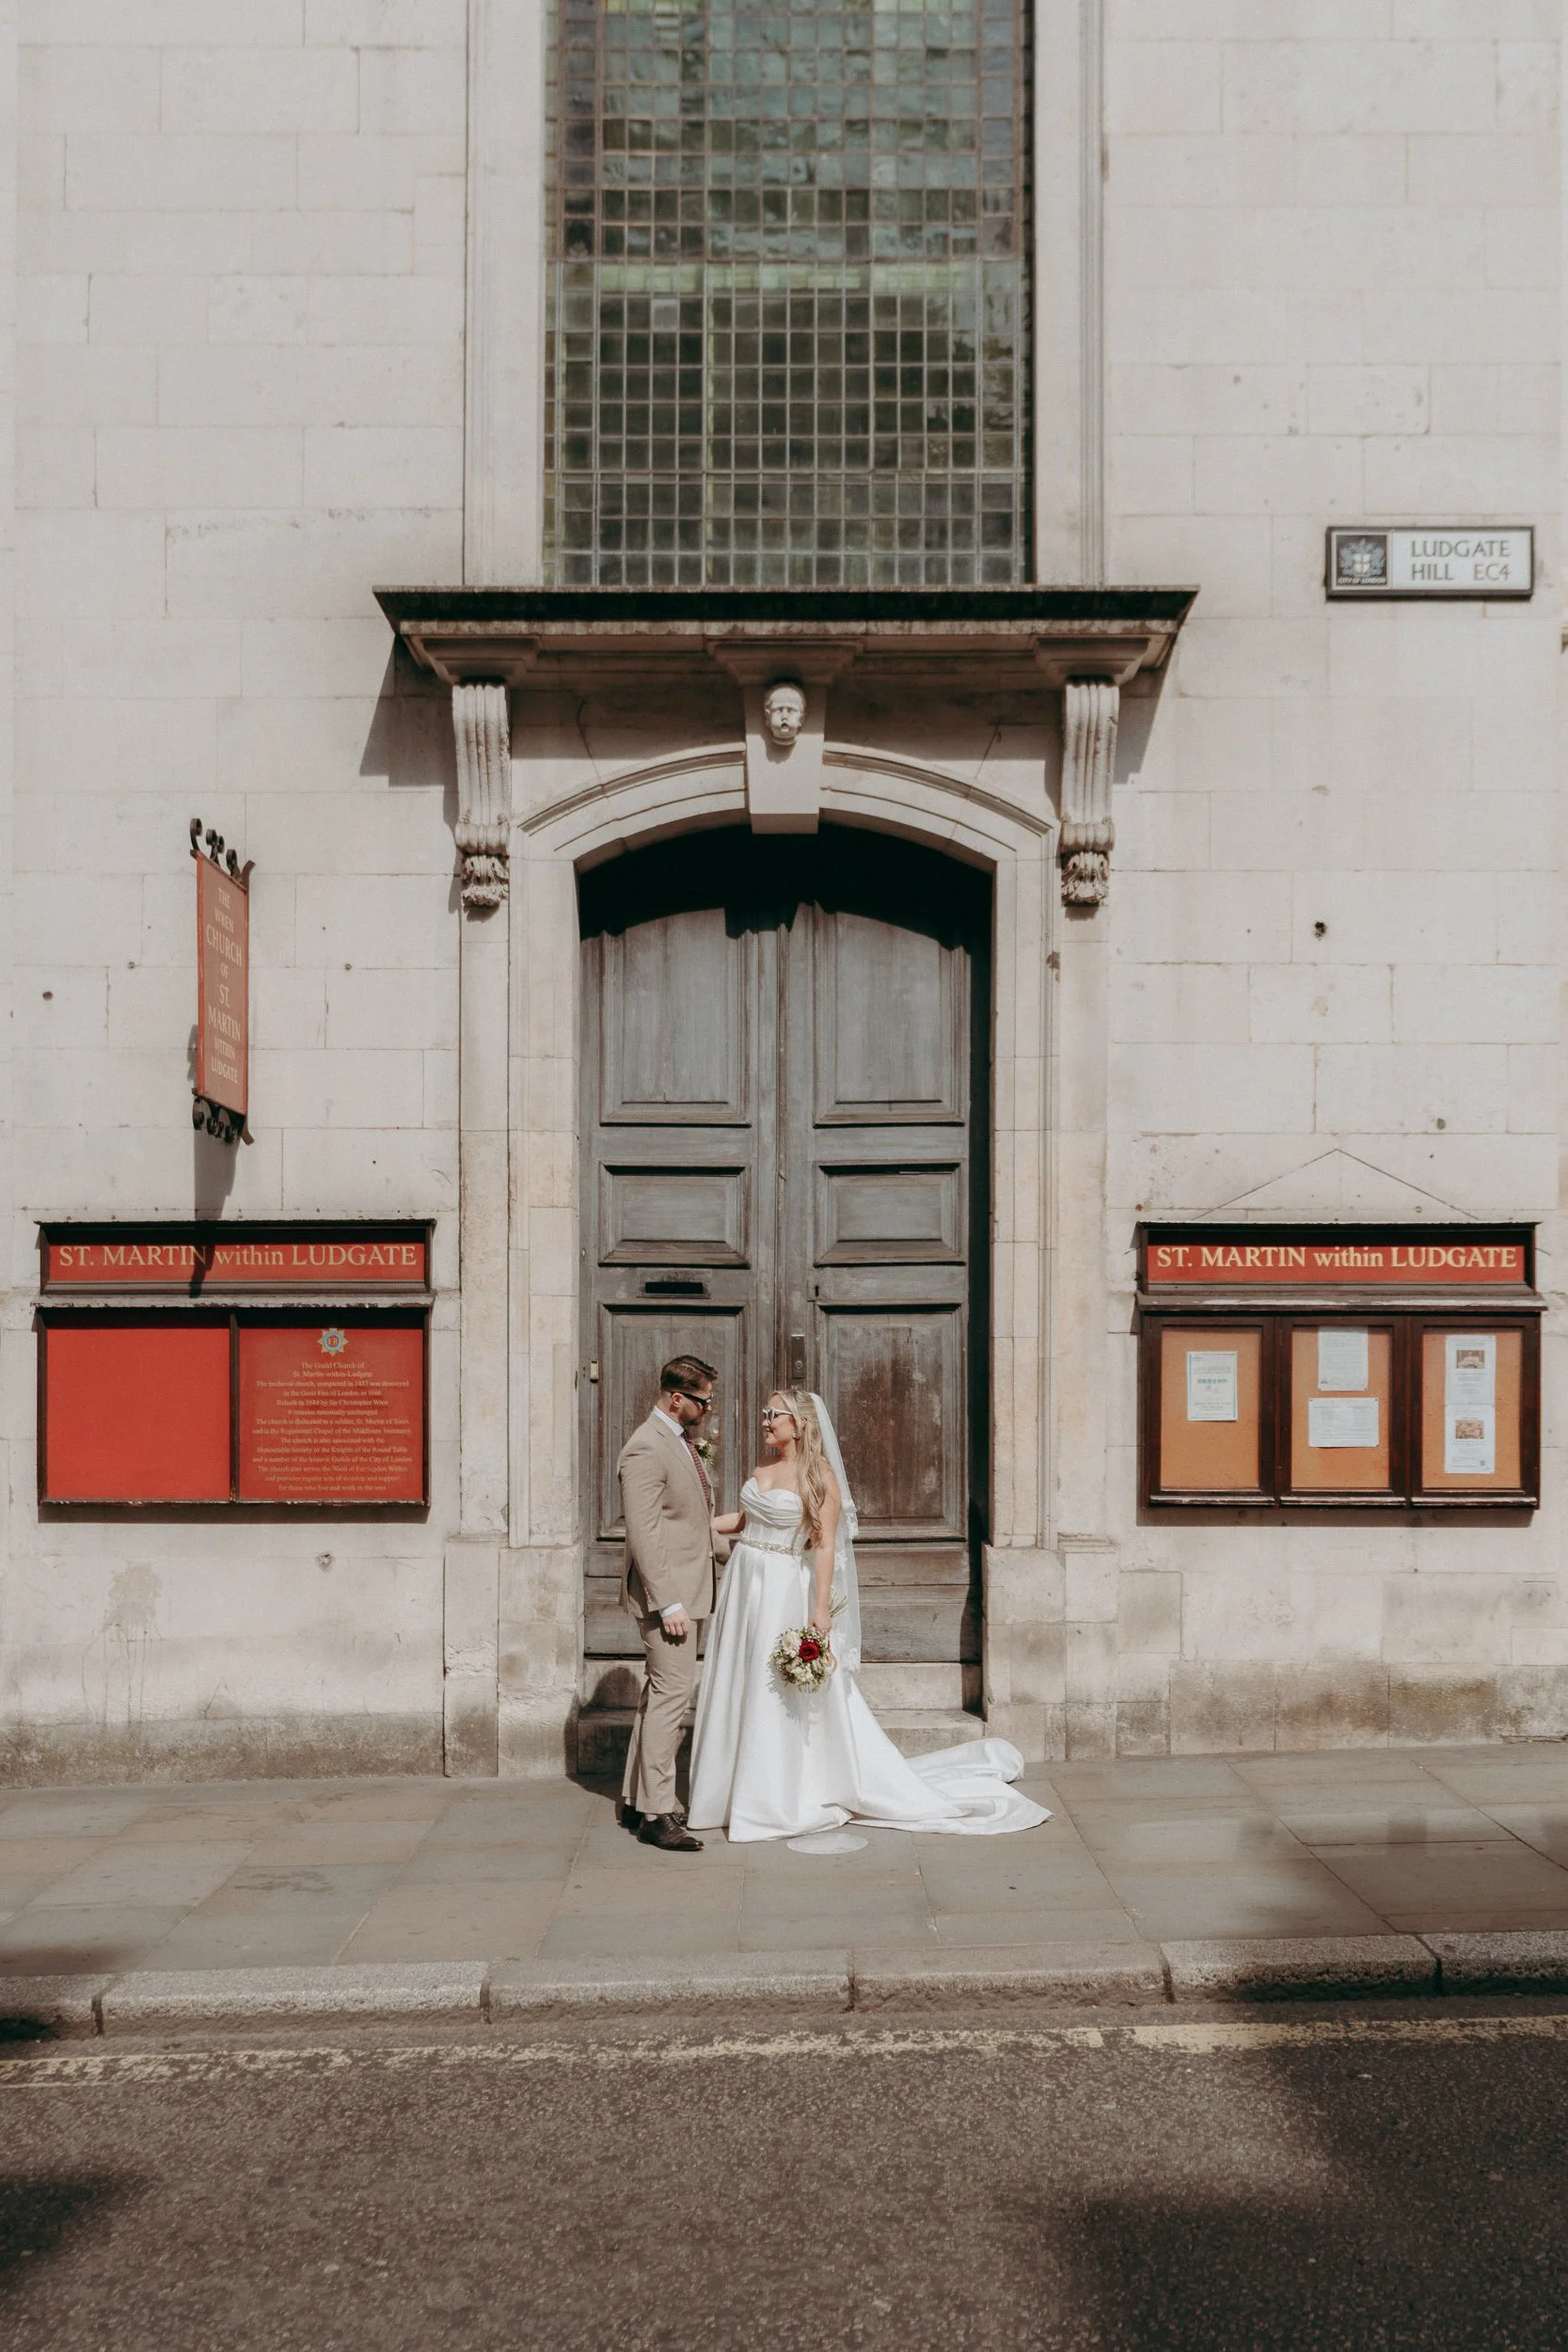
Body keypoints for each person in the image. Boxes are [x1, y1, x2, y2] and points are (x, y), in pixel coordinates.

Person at [688, 1388, 1049, 1841]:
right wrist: (693, 1526)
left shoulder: (820, 1477)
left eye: (773, 1414)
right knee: (738, 1675)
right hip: (745, 1582)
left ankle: (774, 1793)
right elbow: (746, 1521)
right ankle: (727, 1789)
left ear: (800, 1424)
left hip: (782, 1587)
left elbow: (823, 1546)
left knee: (771, 1682)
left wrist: (820, 1607)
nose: (764, 1420)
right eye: (765, 1412)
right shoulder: (763, 1465)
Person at [617, 1354, 729, 1852]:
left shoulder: (678, 1441)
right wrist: (667, 1604)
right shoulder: (646, 1447)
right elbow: (644, 1534)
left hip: (687, 1586)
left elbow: (689, 1518)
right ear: (677, 1398)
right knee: (671, 1697)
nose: (709, 1409)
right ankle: (657, 1815)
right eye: (704, 1401)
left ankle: (635, 1799)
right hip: (668, 1597)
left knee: (658, 1695)